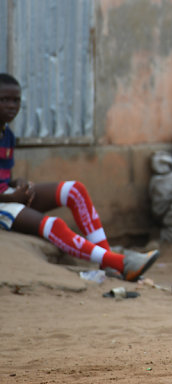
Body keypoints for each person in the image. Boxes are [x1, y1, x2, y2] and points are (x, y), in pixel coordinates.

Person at [0, 74, 159, 280]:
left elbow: (5, 177)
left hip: (8, 197)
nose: (12, 105)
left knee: (75, 190)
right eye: (4, 100)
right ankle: (120, 263)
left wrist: (18, 183)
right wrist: (11, 198)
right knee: (54, 225)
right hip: (3, 203)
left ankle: (106, 262)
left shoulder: (8, 134)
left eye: (16, 100)